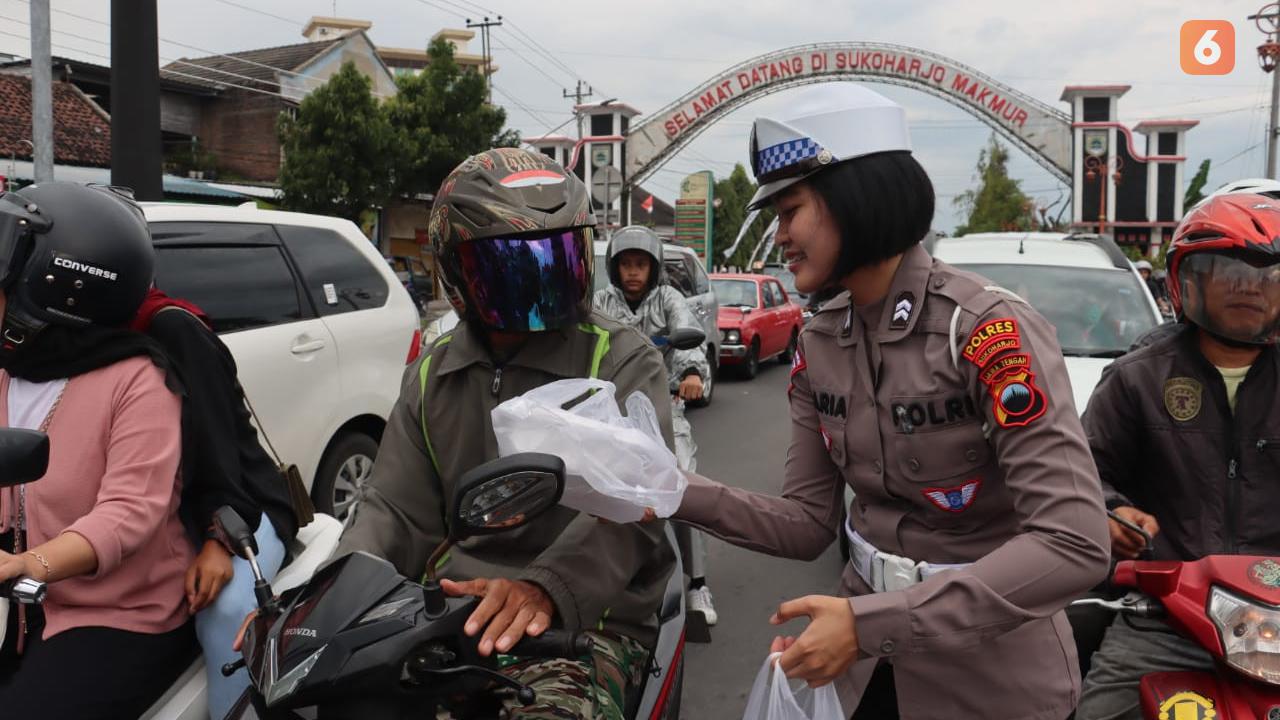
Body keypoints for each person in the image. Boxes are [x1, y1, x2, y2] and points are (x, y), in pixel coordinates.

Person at [659, 83, 1110, 719]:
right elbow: (807, 524)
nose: (780, 235)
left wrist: (870, 623)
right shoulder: (820, 341)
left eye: (790, 211)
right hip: (863, 676)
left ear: (855, 198)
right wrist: (661, 488)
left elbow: (1074, 543)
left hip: (990, 683)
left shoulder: (987, 331)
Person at [336, 148, 676, 719]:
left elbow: (636, 508)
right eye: (515, 271)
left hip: (590, 620)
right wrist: (330, 597)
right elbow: (392, 510)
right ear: (458, 272)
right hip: (456, 609)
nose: (541, 286)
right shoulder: (433, 372)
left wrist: (544, 586)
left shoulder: (619, 360)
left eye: (558, 261)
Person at [1074, 192, 1280, 720]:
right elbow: (1078, 474)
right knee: (1101, 711)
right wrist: (1110, 511)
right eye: (1227, 272)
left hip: (1277, 617)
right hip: (1167, 614)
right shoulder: (1138, 377)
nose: (1247, 288)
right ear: (1187, 282)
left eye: (1266, 276)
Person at [0, 182, 196, 717]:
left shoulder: (138, 379)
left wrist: (27, 562)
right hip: (28, 610)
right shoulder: (11, 372)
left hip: (121, 613)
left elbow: (130, 511)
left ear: (57, 288)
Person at [130, 289, 302, 720]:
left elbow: (218, 445)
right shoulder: (62, 342)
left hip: (243, 503)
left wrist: (219, 540)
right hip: (159, 513)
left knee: (226, 613)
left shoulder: (169, 326)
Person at [592, 226, 717, 624]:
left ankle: (697, 584)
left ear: (653, 268)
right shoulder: (601, 301)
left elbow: (690, 338)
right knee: (593, 489)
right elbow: (580, 341)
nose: (632, 272)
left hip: (665, 408)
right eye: (625, 264)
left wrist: (693, 373)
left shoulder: (668, 298)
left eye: (640, 264)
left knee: (683, 489)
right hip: (611, 416)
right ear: (614, 268)